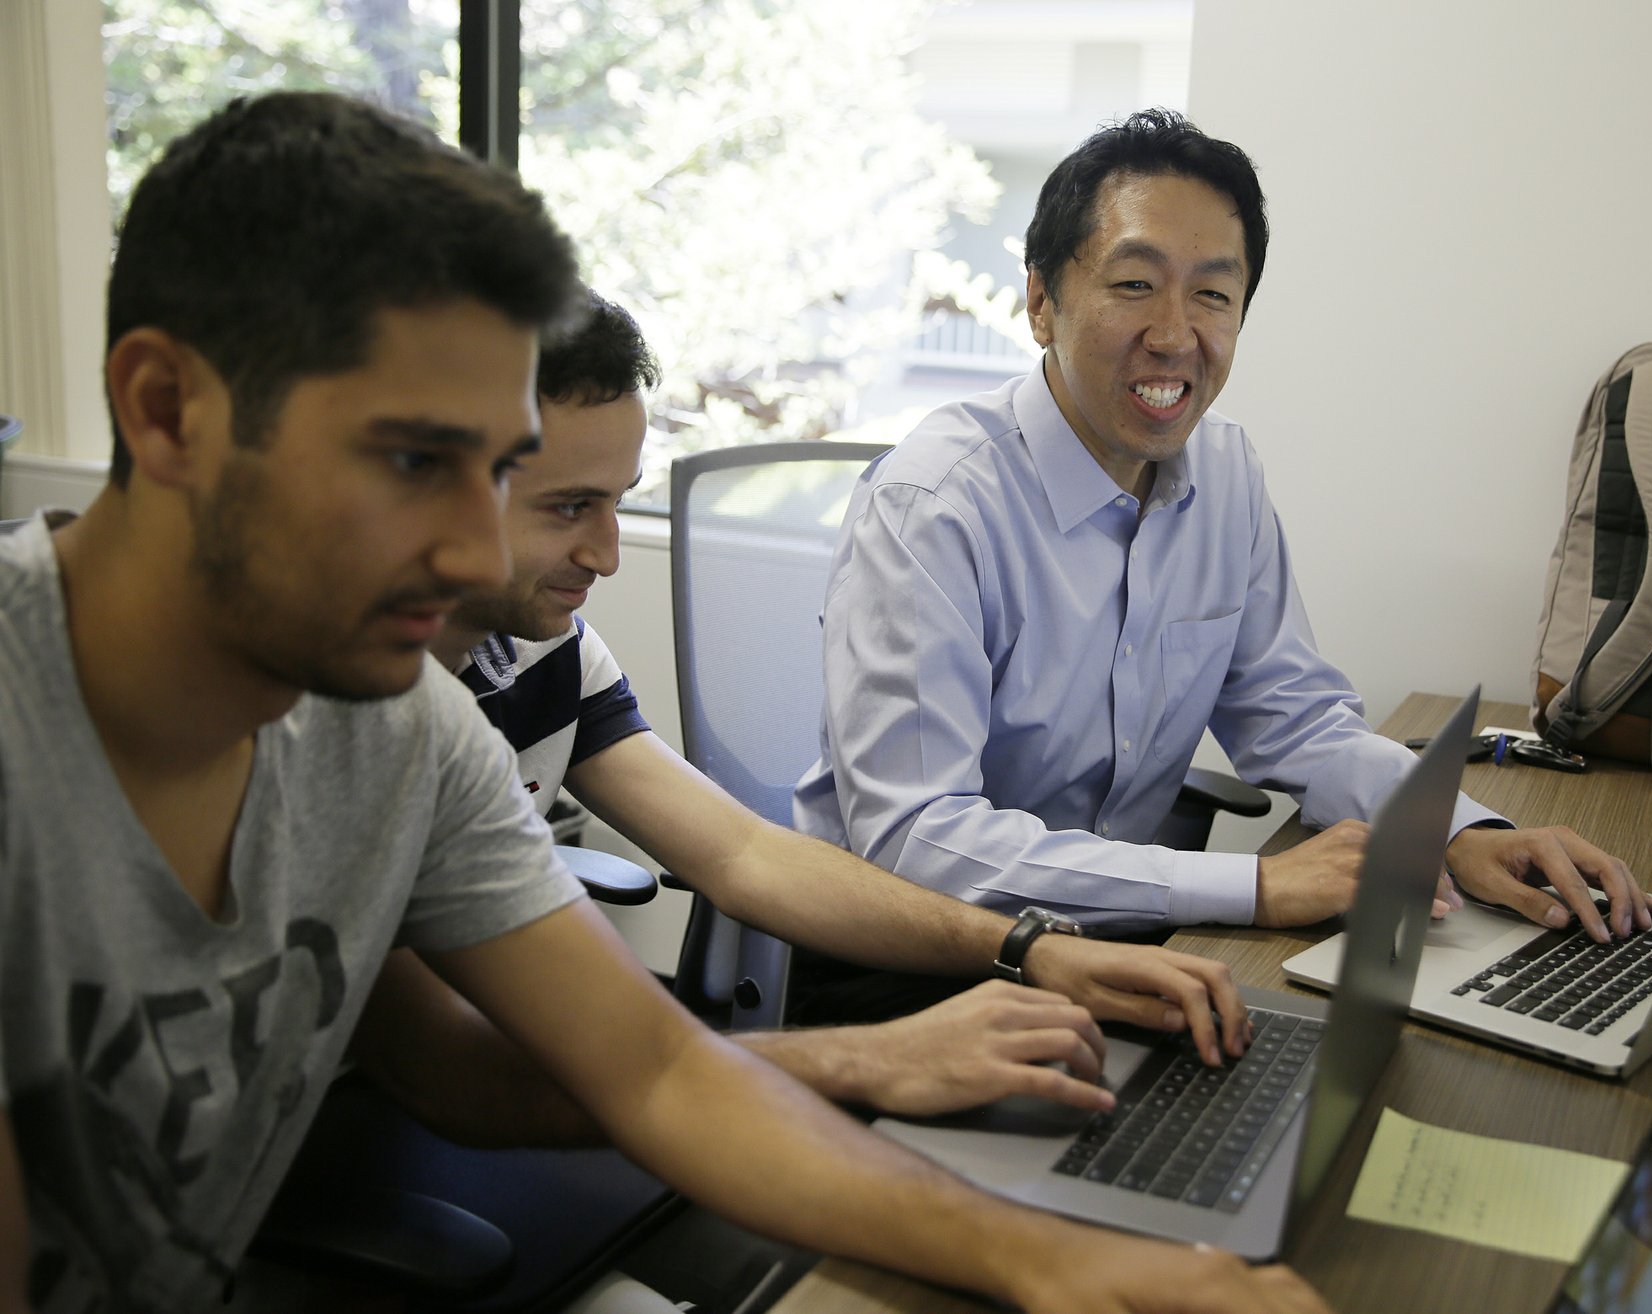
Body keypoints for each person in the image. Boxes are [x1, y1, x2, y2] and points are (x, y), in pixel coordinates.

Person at [0, 92, 1330, 1314]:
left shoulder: (400, 722)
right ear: (166, 409)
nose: (477, 558)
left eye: (495, 474)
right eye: (413, 461)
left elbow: (658, 1066)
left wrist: (1068, 1258)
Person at [352, 289, 1253, 1146]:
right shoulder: (345, 719)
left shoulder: (543, 654)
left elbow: (744, 854)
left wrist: (1031, 947)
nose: (608, 554)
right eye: (568, 508)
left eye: (619, 501)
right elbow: (444, 1071)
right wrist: (863, 1060)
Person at [796, 108, 1652, 945]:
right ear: (1041, 303)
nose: (1175, 335)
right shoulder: (934, 506)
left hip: (1113, 950)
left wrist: (1454, 831)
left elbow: (1297, 719)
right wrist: (1253, 887)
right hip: (920, 958)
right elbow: (916, 837)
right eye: (1134, 284)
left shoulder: (1227, 476)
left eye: (1212, 293)